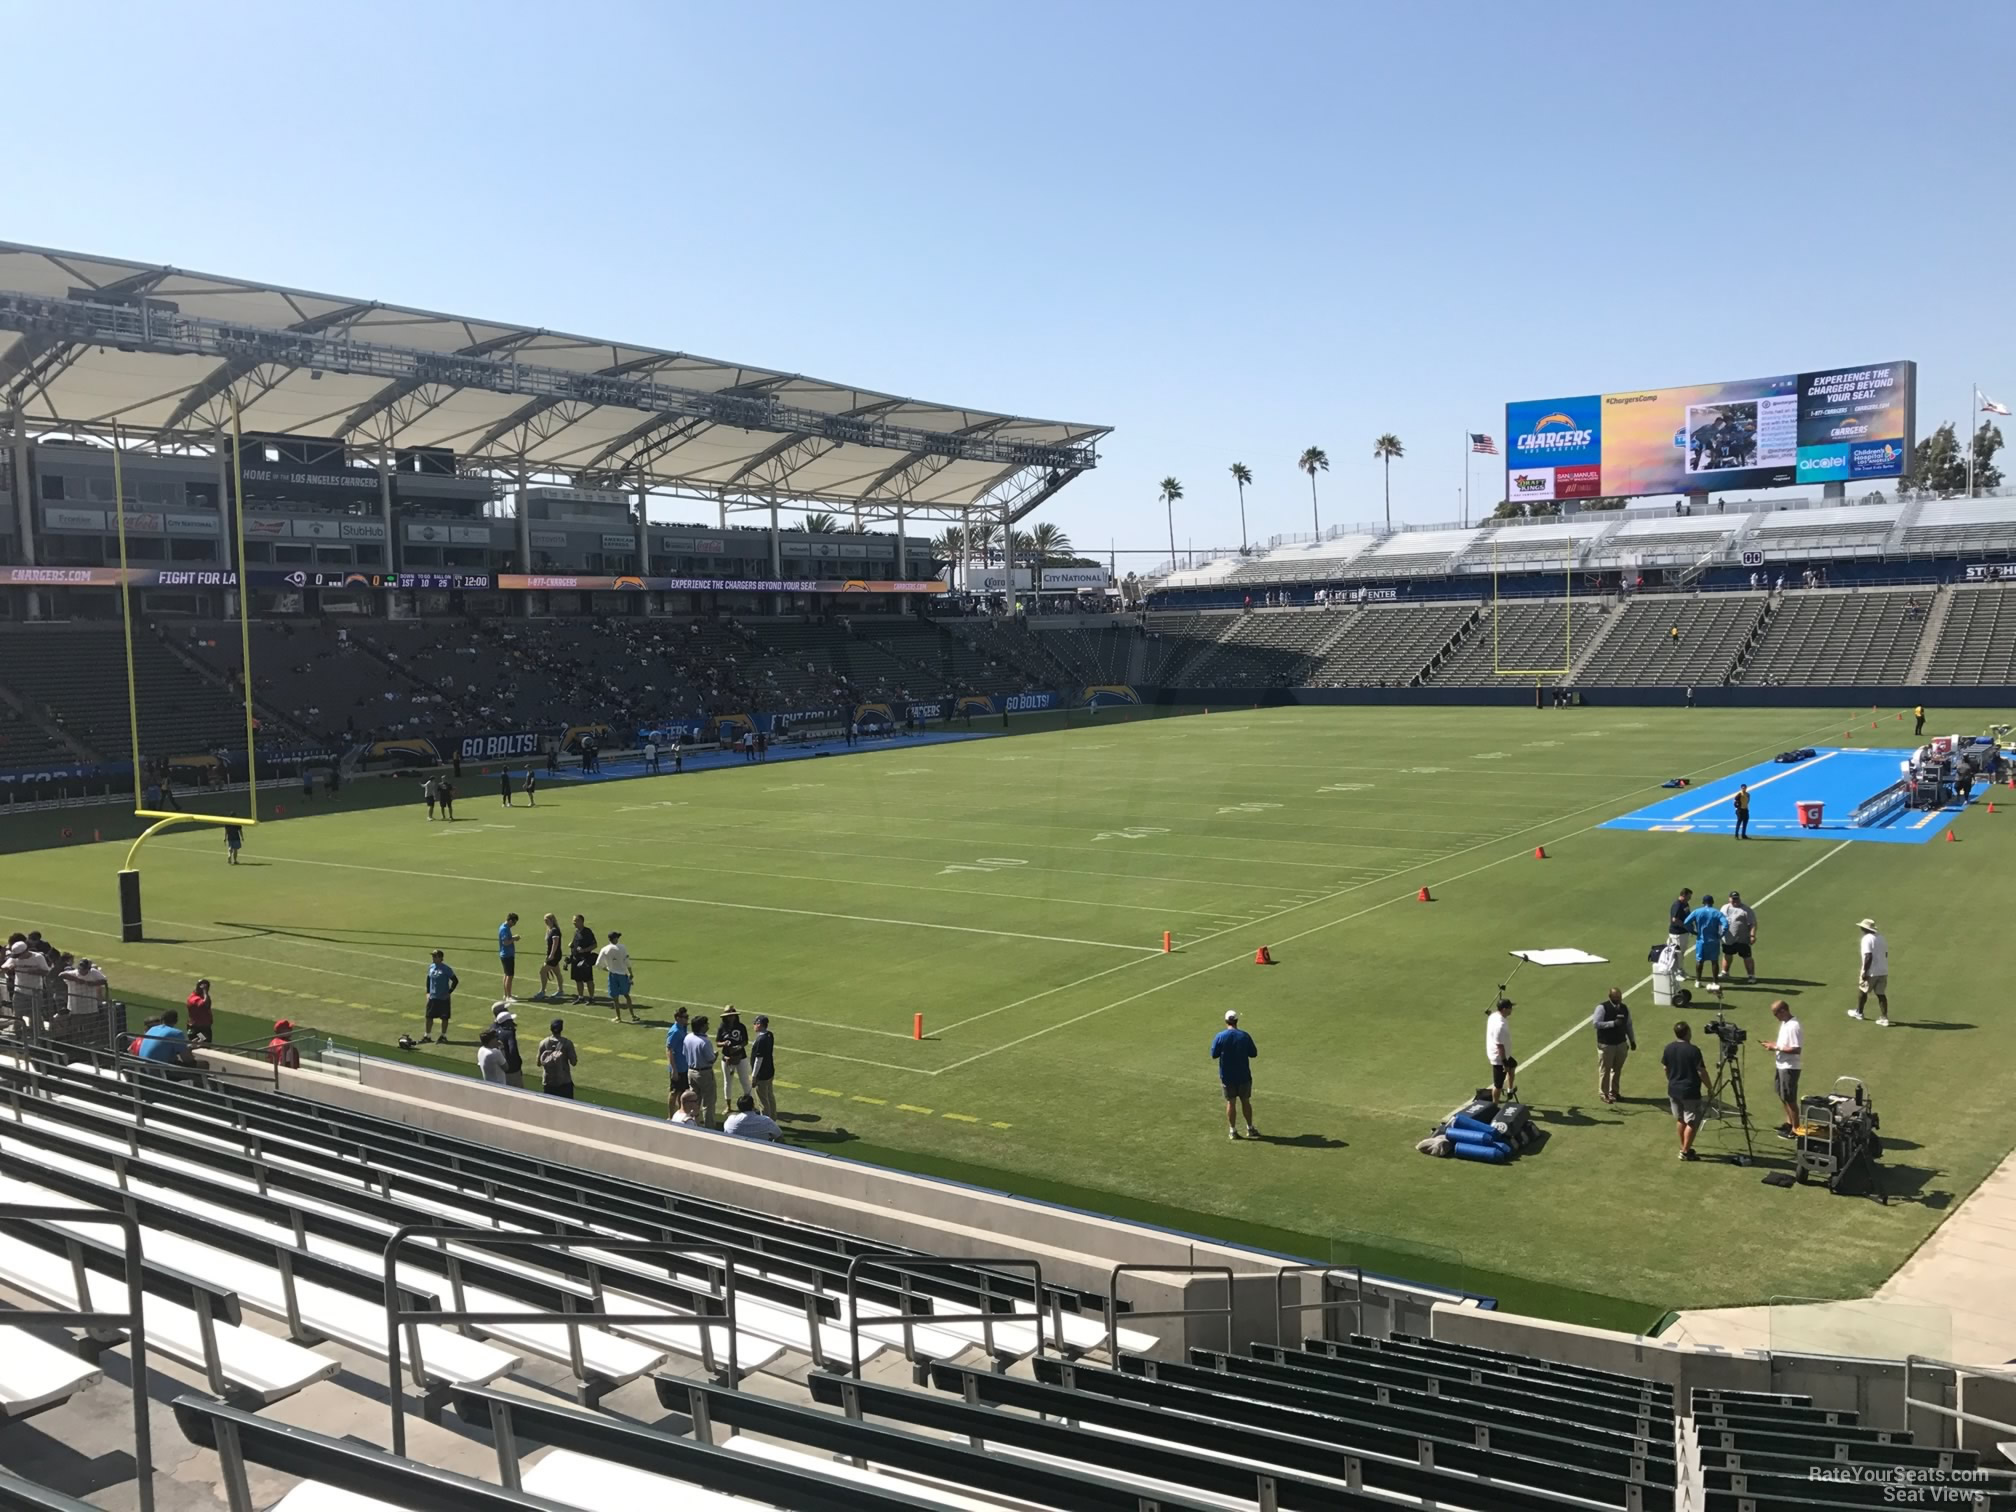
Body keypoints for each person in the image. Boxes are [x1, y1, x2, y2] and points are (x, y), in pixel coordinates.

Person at [1661, 1021, 1708, 1162]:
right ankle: (1686, 1151)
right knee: (1692, 1122)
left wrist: (1671, 1079)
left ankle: (1684, 1147)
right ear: (1687, 1032)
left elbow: (1665, 1068)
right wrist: (1710, 1087)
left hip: (1673, 1090)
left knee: (1681, 1119)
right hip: (1690, 1091)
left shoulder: (1669, 1048)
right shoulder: (1693, 1050)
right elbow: (1701, 1071)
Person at [1211, 1009, 1259, 1139]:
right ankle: (1250, 1128)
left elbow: (1214, 1054)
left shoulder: (1220, 1036)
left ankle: (1232, 1130)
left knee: (1230, 1103)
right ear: (1237, 1021)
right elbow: (1253, 1053)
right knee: (1245, 1101)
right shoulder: (1244, 1036)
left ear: (1226, 1021)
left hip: (1227, 1077)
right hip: (1243, 1075)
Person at [1762, 999, 1803, 1137]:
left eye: (1776, 1014)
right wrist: (1774, 1044)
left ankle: (1796, 1128)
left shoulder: (1793, 1026)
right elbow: (1785, 1044)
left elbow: (1796, 1049)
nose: (1776, 1017)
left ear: (1783, 1011)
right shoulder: (1785, 1024)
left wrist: (1776, 1047)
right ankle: (1789, 1123)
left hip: (1789, 1067)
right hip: (1781, 1065)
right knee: (1783, 1095)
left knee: (1790, 1098)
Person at [1592, 986, 1636, 1105]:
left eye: (1620, 997)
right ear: (1610, 997)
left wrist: (1632, 1040)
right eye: (1616, 997)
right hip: (1606, 1044)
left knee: (1617, 1069)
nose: (1619, 999)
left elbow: (1628, 1025)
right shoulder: (1602, 1008)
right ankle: (1604, 1093)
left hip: (1621, 1043)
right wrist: (1613, 1024)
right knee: (1605, 1070)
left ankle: (1614, 1092)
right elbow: (1596, 1023)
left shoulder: (1624, 1008)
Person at [1850, 918, 1891, 1026]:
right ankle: (1884, 1017)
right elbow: (1885, 954)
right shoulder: (1881, 938)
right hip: (1883, 970)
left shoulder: (1867, 939)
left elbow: (1868, 956)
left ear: (1864, 928)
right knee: (1881, 994)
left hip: (1872, 971)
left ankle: (1859, 1012)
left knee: (1862, 990)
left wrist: (1865, 971)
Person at [684, 1013, 719, 1125]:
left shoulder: (688, 1037)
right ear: (702, 1026)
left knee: (694, 1100)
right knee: (709, 1102)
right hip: (704, 1073)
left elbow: (684, 1053)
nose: (708, 1025)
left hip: (691, 1071)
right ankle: (709, 1126)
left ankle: (694, 1122)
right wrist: (716, 1055)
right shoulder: (704, 1042)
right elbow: (710, 1059)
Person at [1684, 893, 1727, 984]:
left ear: (1703, 902)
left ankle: (1698, 981)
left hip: (1701, 940)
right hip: (1714, 940)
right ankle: (1715, 982)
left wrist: (1692, 931)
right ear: (1712, 902)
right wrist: (1721, 934)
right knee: (1714, 961)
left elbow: (1686, 922)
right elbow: (1726, 925)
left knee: (1700, 960)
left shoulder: (1697, 911)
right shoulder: (1717, 913)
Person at [596, 931, 637, 1021]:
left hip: (612, 975)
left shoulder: (604, 949)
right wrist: (630, 973)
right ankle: (633, 1015)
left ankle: (618, 1017)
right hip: (623, 975)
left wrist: (608, 969)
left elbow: (598, 964)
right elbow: (627, 962)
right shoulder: (622, 947)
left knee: (615, 997)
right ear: (615, 939)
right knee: (626, 995)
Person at [715, 1004, 752, 1101]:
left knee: (745, 1080)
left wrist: (738, 1047)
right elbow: (718, 1043)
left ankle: (750, 1103)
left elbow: (745, 1041)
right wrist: (724, 1043)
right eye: (729, 1016)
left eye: (732, 1015)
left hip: (741, 1056)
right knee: (727, 1082)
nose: (731, 1018)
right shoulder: (722, 1027)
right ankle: (728, 1104)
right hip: (727, 1058)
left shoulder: (741, 1027)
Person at [422, 949, 459, 1043]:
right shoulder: (431, 967)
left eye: (435, 956)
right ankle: (427, 1035)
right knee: (429, 1017)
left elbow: (455, 980)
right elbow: (428, 980)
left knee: (444, 1017)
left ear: (440, 958)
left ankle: (443, 1036)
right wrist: (428, 992)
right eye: (433, 956)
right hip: (433, 997)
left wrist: (449, 992)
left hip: (443, 998)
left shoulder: (446, 969)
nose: (433, 958)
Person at [1484, 998, 1516, 1104]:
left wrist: (1489, 1013)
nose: (1511, 1009)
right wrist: (1504, 1063)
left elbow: (1492, 1015)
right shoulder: (1500, 1026)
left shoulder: (1494, 1016)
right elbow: (1500, 1046)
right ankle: (1495, 1105)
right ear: (1504, 1009)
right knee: (1498, 1085)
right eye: (1510, 1008)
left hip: (1504, 1055)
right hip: (1498, 1058)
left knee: (1513, 1065)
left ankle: (1510, 1090)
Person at [537, 1017, 578, 1098]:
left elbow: (538, 1063)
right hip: (564, 1083)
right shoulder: (567, 1043)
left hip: (549, 1083)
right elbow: (574, 1062)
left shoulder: (543, 1043)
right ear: (561, 1029)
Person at [1721, 892, 1758, 982]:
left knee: (1747, 957)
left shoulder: (1746, 910)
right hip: (1728, 938)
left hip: (1742, 938)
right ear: (1729, 899)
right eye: (1733, 899)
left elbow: (1752, 924)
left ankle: (1751, 975)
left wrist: (1752, 935)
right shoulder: (1724, 908)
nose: (1735, 900)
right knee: (1727, 955)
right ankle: (1725, 972)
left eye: (1737, 898)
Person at [665, 1005, 691, 1116]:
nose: (687, 1019)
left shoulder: (683, 1028)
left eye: (687, 1016)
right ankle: (670, 1116)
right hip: (678, 1067)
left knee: (682, 1091)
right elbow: (669, 1050)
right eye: (684, 1017)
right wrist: (674, 1070)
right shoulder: (675, 1031)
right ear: (678, 1018)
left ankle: (680, 1113)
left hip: (684, 1065)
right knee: (674, 1091)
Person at [750, 1013, 777, 1118]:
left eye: (755, 1023)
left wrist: (754, 1076)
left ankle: (766, 1120)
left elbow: (758, 1059)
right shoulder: (769, 1035)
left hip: (761, 1074)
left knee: (762, 1100)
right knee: (770, 1095)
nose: (754, 1025)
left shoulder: (761, 1040)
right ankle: (773, 1117)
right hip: (769, 1070)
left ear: (759, 1024)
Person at [491, 1003, 524, 1087]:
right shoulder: (509, 1033)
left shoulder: (493, 1029)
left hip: (498, 1068)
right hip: (512, 1070)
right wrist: (517, 1065)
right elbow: (513, 1050)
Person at [568, 914, 598, 1004]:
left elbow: (594, 945)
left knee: (588, 979)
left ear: (581, 921)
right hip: (575, 959)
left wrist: (584, 950)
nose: (574, 922)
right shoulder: (576, 931)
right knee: (578, 980)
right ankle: (580, 997)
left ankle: (591, 997)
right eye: (573, 920)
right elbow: (574, 943)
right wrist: (571, 945)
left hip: (585, 959)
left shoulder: (587, 932)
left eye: (576, 920)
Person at [539, 912, 563, 1000]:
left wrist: (551, 955)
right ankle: (560, 990)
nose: (545, 922)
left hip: (554, 955)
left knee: (542, 972)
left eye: (547, 920)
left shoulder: (554, 930)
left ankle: (542, 991)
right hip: (554, 955)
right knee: (557, 973)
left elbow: (555, 943)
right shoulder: (551, 929)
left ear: (551, 920)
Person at [185, 979, 215, 1045]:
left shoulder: (196, 996)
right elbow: (206, 1003)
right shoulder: (194, 999)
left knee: (199, 1044)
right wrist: (205, 991)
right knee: (203, 1044)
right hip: (198, 1029)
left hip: (196, 1027)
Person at [498, 913, 519, 1001]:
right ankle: (508, 996)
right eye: (514, 922)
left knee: (506, 975)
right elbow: (505, 942)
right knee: (509, 976)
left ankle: (506, 994)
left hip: (506, 954)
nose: (514, 924)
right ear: (510, 920)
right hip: (507, 955)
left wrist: (513, 937)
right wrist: (514, 939)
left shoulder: (505, 927)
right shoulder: (504, 929)